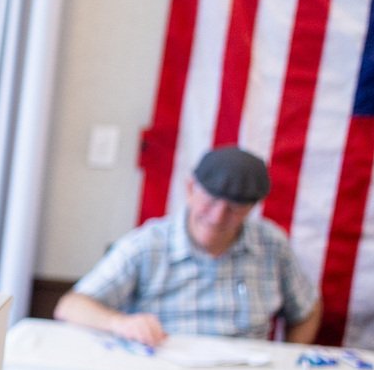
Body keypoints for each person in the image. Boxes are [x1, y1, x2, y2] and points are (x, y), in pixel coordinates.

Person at [55, 145, 320, 346]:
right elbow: (71, 306)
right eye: (211, 201)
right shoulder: (148, 245)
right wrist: (121, 323)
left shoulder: (272, 245)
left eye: (234, 208)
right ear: (191, 189)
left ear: (252, 207)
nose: (217, 217)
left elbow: (307, 309)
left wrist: (288, 359)